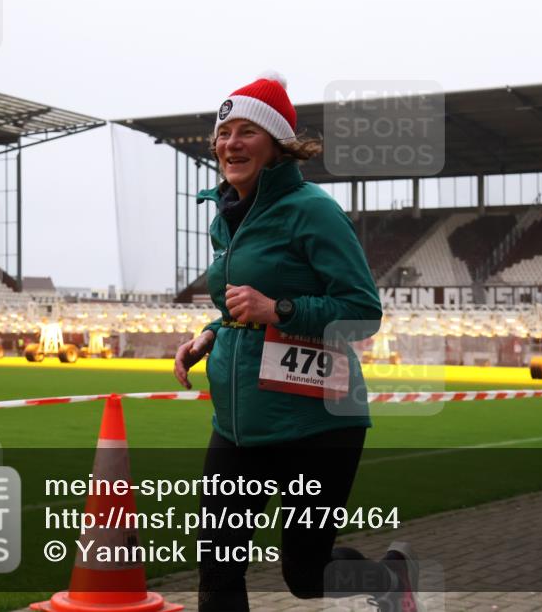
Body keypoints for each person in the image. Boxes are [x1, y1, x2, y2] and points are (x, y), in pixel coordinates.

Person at [174, 73, 422, 612]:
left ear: (277, 144)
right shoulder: (228, 216)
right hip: (239, 422)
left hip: (317, 422)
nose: (230, 143)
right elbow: (238, 307)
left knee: (307, 575)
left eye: (246, 132)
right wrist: (210, 333)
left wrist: (279, 310)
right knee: (217, 564)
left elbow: (362, 312)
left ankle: (387, 580)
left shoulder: (312, 209)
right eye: (223, 132)